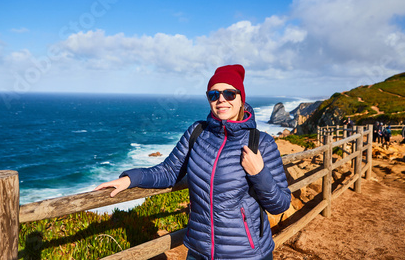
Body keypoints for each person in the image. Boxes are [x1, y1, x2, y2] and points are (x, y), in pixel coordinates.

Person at [95, 64, 291, 260]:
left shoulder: (261, 143)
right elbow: (169, 171)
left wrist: (259, 173)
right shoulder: (197, 133)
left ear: (241, 98)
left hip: (246, 254)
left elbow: (280, 205)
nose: (221, 99)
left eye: (230, 93)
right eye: (214, 95)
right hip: (199, 251)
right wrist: (130, 178)